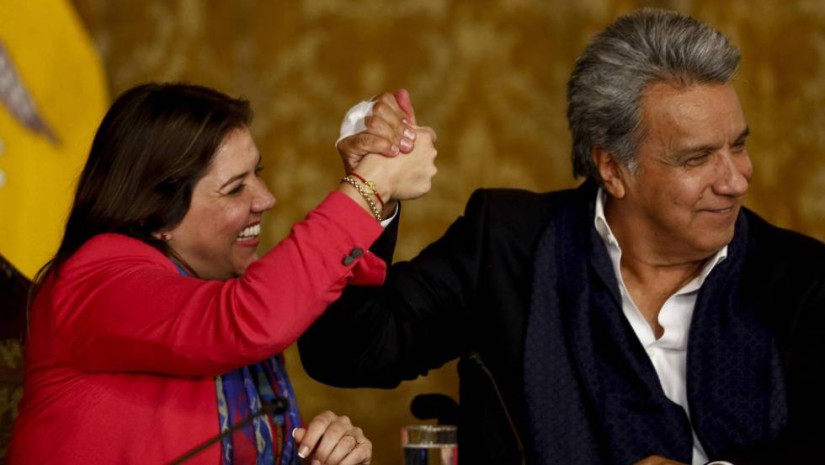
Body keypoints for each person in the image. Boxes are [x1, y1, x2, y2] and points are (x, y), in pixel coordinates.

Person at [298, 8, 825, 465]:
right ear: (613, 169)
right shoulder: (506, 244)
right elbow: (348, 353)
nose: (736, 179)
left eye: (738, 146)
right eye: (698, 158)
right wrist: (370, 195)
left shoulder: (803, 278)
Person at [6, 82, 438, 465]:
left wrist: (317, 454)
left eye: (258, 175)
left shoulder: (214, 290)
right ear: (158, 217)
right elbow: (250, 318)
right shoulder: (94, 278)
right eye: (235, 188)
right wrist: (371, 184)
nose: (266, 199)